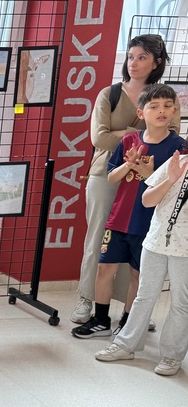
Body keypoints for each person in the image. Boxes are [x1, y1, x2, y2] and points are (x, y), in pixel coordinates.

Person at [72, 34, 179, 324]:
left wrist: (126, 135)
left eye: (142, 57)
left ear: (156, 62)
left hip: (150, 177)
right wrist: (139, 135)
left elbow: (171, 137)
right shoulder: (109, 94)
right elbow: (99, 138)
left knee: (139, 241)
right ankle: (86, 299)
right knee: (98, 238)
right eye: (131, 56)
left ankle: (132, 310)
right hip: (105, 173)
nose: (134, 63)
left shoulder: (166, 97)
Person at [95, 147, 188, 375]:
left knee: (181, 303)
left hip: (185, 249)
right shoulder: (177, 161)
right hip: (155, 242)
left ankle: (171, 356)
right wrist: (170, 180)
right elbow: (147, 200)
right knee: (144, 296)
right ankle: (126, 345)